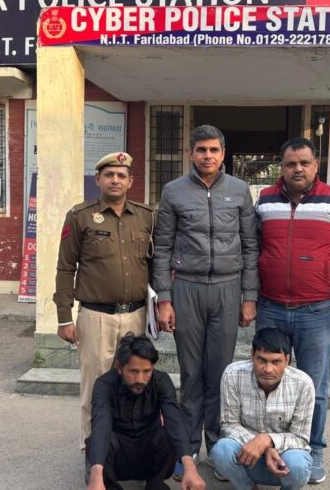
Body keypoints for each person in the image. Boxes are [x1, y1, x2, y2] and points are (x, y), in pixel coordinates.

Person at [255, 137, 330, 484]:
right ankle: (269, 447)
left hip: (315, 310)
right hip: (271, 306)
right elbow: (252, 248)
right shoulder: (265, 200)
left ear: (316, 165)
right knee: (267, 381)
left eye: (304, 163)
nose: (297, 169)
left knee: (314, 386)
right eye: (291, 164)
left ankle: (313, 448)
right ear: (282, 168)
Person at [152, 124, 259, 476]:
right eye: (201, 150)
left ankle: (216, 448)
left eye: (214, 149)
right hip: (187, 288)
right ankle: (187, 450)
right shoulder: (174, 191)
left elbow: (250, 246)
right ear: (191, 154)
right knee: (191, 373)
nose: (208, 156)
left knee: (220, 373)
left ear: (223, 153)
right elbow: (162, 248)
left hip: (228, 288)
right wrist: (164, 299)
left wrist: (249, 297)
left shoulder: (239, 190)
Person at [54, 151, 155, 448]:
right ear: (97, 179)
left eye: (121, 175)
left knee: (134, 386)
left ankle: (126, 448)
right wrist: (64, 316)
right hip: (96, 317)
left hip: (136, 315)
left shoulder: (147, 217)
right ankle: (94, 452)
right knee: (96, 389)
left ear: (131, 181)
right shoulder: (80, 216)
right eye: (109, 175)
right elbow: (65, 267)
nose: (115, 180)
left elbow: (155, 266)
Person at [86, 333, 206, 490]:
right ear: (120, 367)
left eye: (147, 371)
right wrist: (95, 475)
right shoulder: (104, 384)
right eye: (133, 371)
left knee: (170, 434)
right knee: (95, 439)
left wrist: (190, 468)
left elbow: (174, 419)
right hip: (118, 455)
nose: (140, 379)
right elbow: (101, 424)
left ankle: (156, 483)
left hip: (150, 453)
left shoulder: (161, 381)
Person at [210, 327, 315, 490]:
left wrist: (268, 441)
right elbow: (229, 425)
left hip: (283, 460)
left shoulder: (303, 384)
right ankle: (247, 487)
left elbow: (300, 437)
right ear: (252, 355)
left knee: (299, 465)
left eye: (276, 361)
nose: (268, 369)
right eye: (261, 360)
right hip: (247, 457)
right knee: (221, 451)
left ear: (287, 360)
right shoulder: (233, 374)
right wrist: (263, 447)